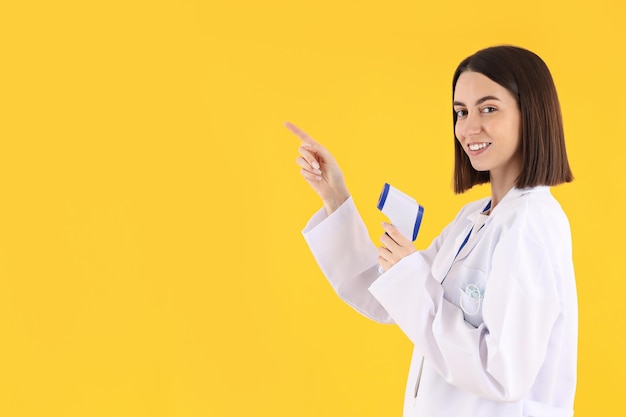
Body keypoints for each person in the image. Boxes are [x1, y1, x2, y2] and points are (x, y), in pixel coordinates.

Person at [284, 45, 578, 417]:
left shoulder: (531, 224)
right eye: (461, 112)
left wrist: (410, 277)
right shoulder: (473, 220)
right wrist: (334, 195)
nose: (470, 127)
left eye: (489, 108)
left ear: (531, 113)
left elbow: (503, 373)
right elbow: (386, 295)